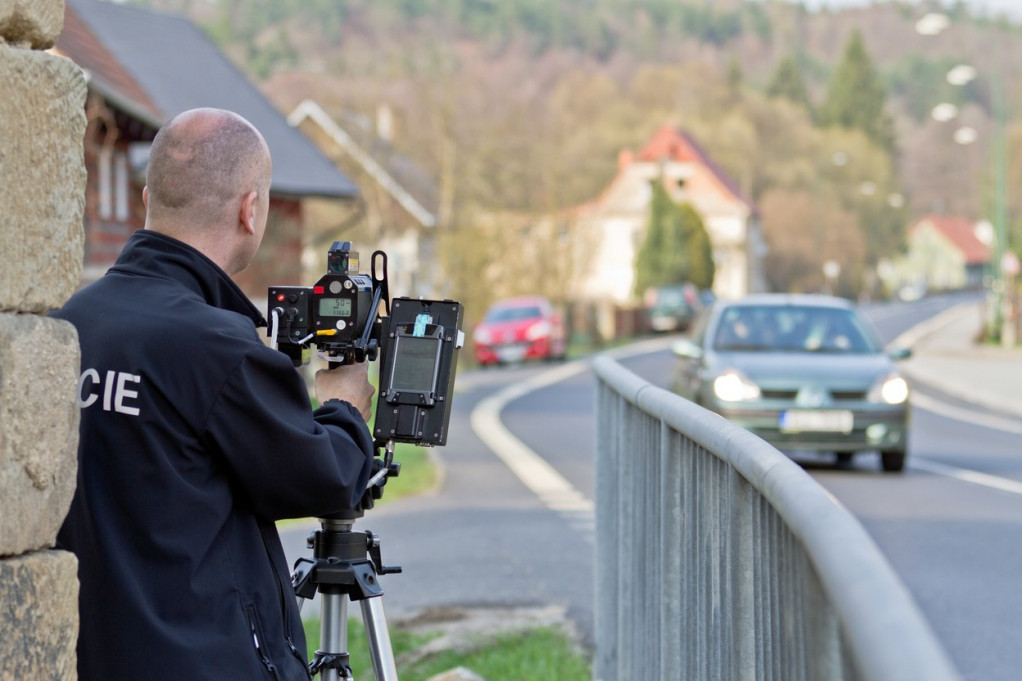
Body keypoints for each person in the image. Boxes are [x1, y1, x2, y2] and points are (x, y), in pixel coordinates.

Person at [53, 108, 377, 681]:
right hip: (202, 662)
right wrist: (345, 403)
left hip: (87, 656)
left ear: (148, 196)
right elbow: (326, 480)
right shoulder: (217, 346)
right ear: (250, 211)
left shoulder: (69, 323)